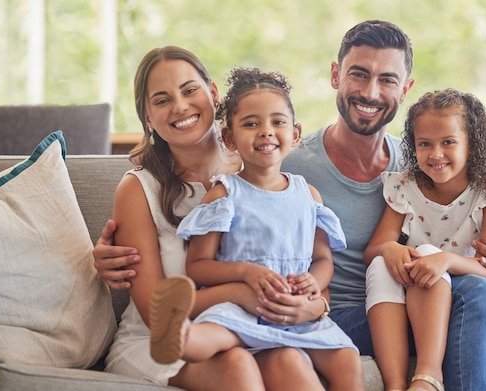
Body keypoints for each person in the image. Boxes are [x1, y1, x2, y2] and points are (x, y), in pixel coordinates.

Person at [95, 21, 486, 390]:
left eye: (387, 80)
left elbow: (475, 236)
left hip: (417, 304)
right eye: (358, 74)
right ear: (335, 76)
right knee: (470, 299)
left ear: (405, 89)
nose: (371, 92)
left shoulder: (417, 164)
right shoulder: (279, 167)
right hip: (351, 314)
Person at [102, 46, 329, 391]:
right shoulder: (138, 189)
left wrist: (311, 307)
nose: (180, 106)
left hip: (254, 327)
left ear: (212, 93)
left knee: (290, 362)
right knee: (237, 367)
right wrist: (239, 292)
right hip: (161, 341)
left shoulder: (260, 169)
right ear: (148, 118)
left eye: (190, 90)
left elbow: (308, 261)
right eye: (162, 101)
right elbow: (155, 312)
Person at [149, 67, 364, 391]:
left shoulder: (308, 196)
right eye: (251, 124)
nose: (265, 132)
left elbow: (322, 260)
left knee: (347, 358)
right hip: (241, 309)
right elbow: (197, 267)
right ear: (229, 138)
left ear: (295, 133)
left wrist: (312, 285)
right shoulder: (225, 194)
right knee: (211, 335)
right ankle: (176, 334)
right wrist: (247, 273)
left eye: (277, 122)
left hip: (294, 309)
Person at [362, 88, 486, 391]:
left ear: (471, 145)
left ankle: (428, 377)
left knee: (427, 251)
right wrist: (390, 248)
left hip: (468, 298)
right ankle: (395, 385)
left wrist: (444, 260)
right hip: (414, 300)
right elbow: (373, 250)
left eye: (448, 142)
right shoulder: (404, 187)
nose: (436, 154)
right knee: (382, 263)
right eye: (425, 144)